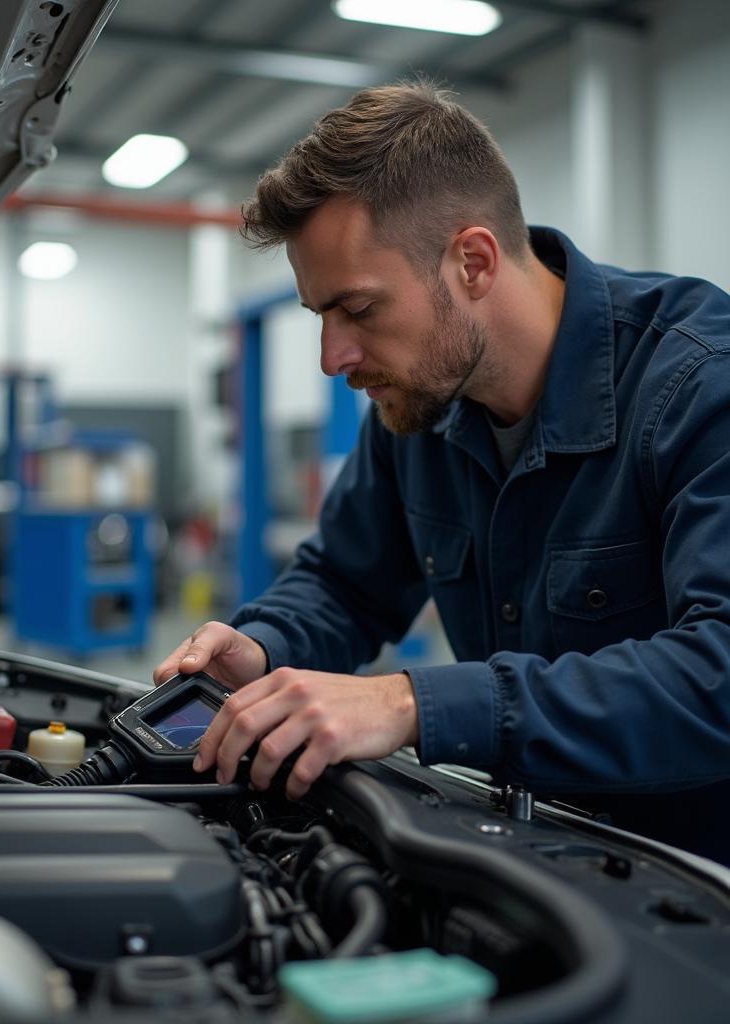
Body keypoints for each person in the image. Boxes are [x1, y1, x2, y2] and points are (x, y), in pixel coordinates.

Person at [154, 81, 730, 863]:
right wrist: (262, 644)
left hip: (697, 884)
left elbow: (719, 676)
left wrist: (412, 703)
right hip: (539, 857)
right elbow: (347, 582)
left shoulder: (700, 385)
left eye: (358, 310)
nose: (333, 358)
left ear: (474, 261)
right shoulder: (420, 406)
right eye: (320, 316)